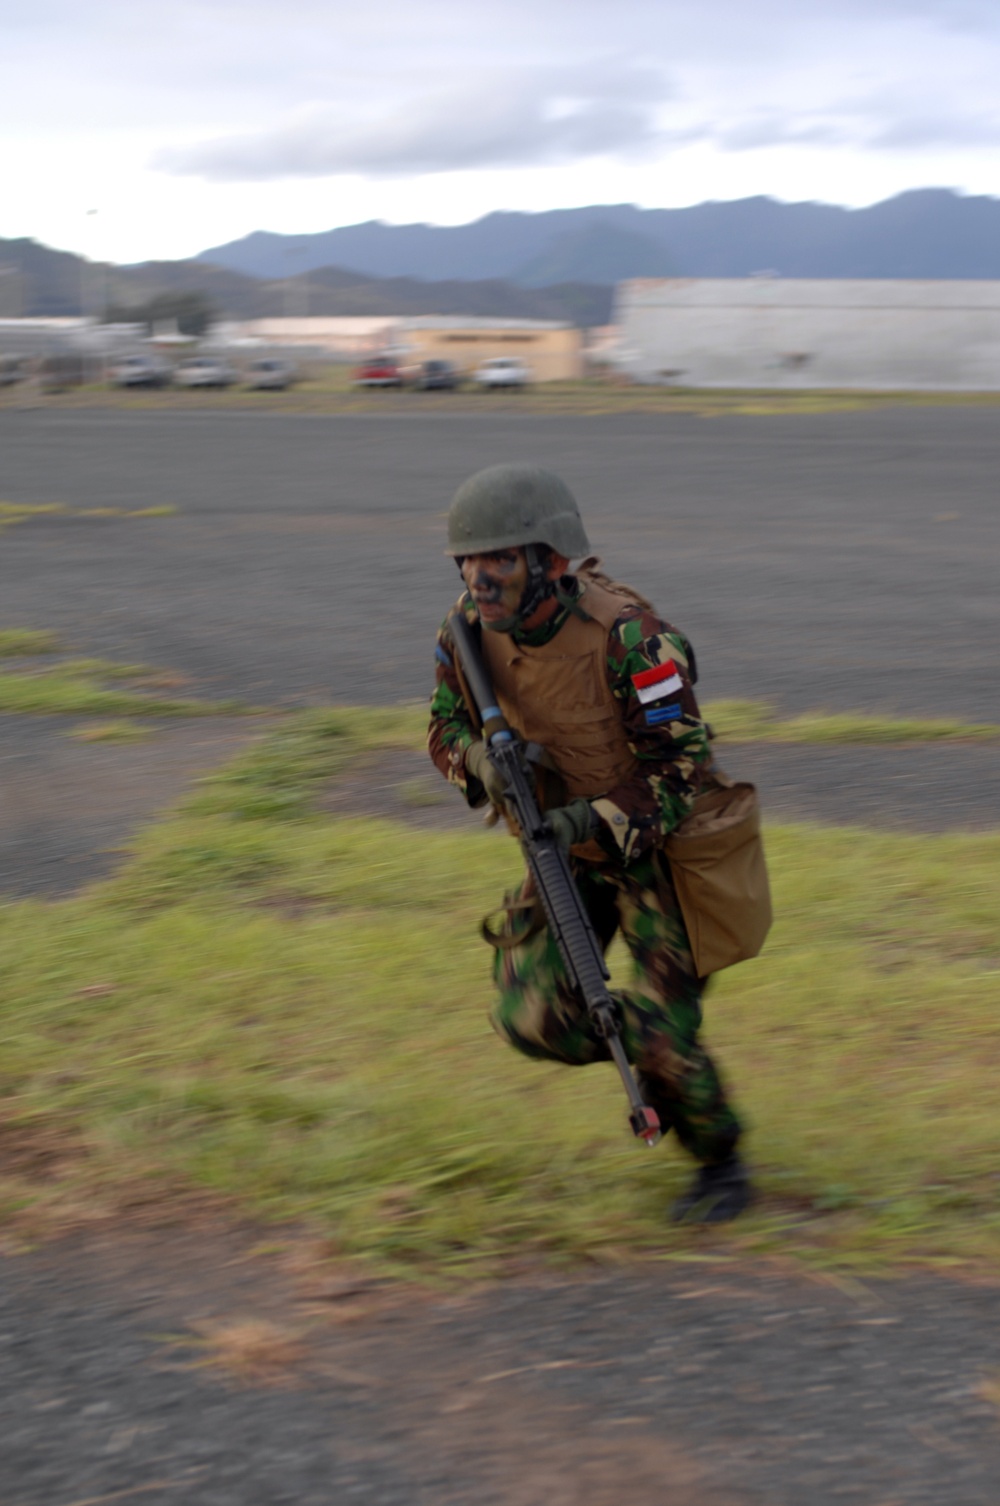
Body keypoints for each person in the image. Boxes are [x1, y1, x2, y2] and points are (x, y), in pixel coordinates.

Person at [428, 464, 751, 1224]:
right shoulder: (465, 637)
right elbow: (444, 727)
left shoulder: (634, 642)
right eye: (470, 561)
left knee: (668, 1049)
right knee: (530, 1015)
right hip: (562, 855)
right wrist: (476, 762)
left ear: (552, 561)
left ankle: (721, 1159)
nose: (481, 578)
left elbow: (681, 768)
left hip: (658, 858)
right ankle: (656, 1049)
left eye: (501, 559)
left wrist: (589, 819)